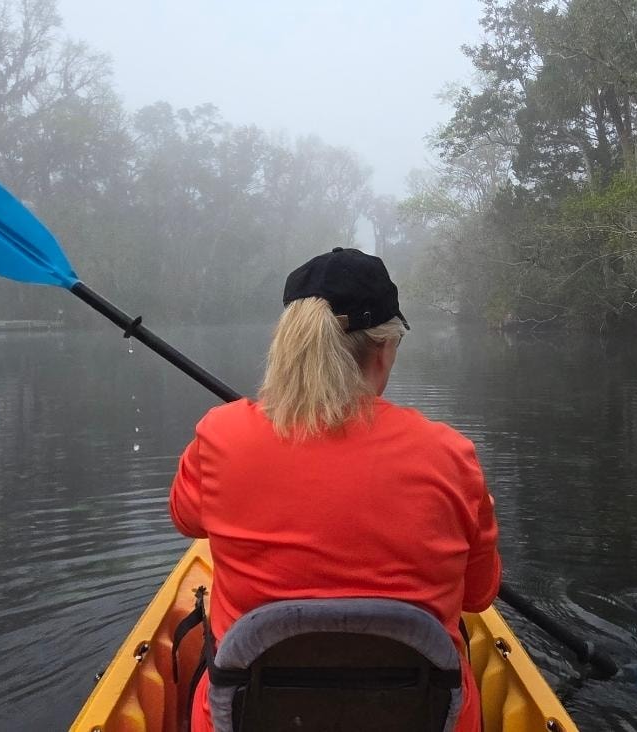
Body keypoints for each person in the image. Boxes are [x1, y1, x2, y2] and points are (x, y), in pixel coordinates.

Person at [169, 247, 502, 731]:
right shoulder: (452, 456)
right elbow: (478, 596)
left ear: (291, 346)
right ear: (384, 349)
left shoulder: (219, 435)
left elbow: (186, 519)